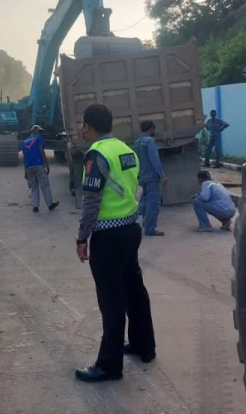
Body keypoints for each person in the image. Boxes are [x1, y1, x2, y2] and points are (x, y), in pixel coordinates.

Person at [74, 103, 156, 383]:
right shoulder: (125, 149)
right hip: (131, 229)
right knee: (134, 289)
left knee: (111, 299)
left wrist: (82, 237)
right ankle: (144, 345)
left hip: (107, 236)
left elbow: (92, 200)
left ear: (89, 126)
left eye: (83, 124)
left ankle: (109, 366)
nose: (81, 129)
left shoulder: (96, 154)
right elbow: (136, 187)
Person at [134, 120, 167, 237]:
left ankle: (134, 222)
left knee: (144, 201)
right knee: (153, 204)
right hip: (152, 177)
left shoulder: (137, 142)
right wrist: (162, 176)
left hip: (143, 177)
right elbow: (154, 159)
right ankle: (150, 229)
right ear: (151, 129)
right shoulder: (150, 141)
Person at [22, 125, 59, 213]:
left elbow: (24, 156)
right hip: (38, 165)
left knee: (34, 187)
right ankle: (50, 205)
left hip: (29, 167)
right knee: (45, 185)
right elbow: (42, 151)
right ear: (35, 130)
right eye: (39, 131)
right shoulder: (38, 138)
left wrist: (25, 171)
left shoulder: (25, 141)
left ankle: (35, 207)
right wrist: (46, 165)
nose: (40, 133)